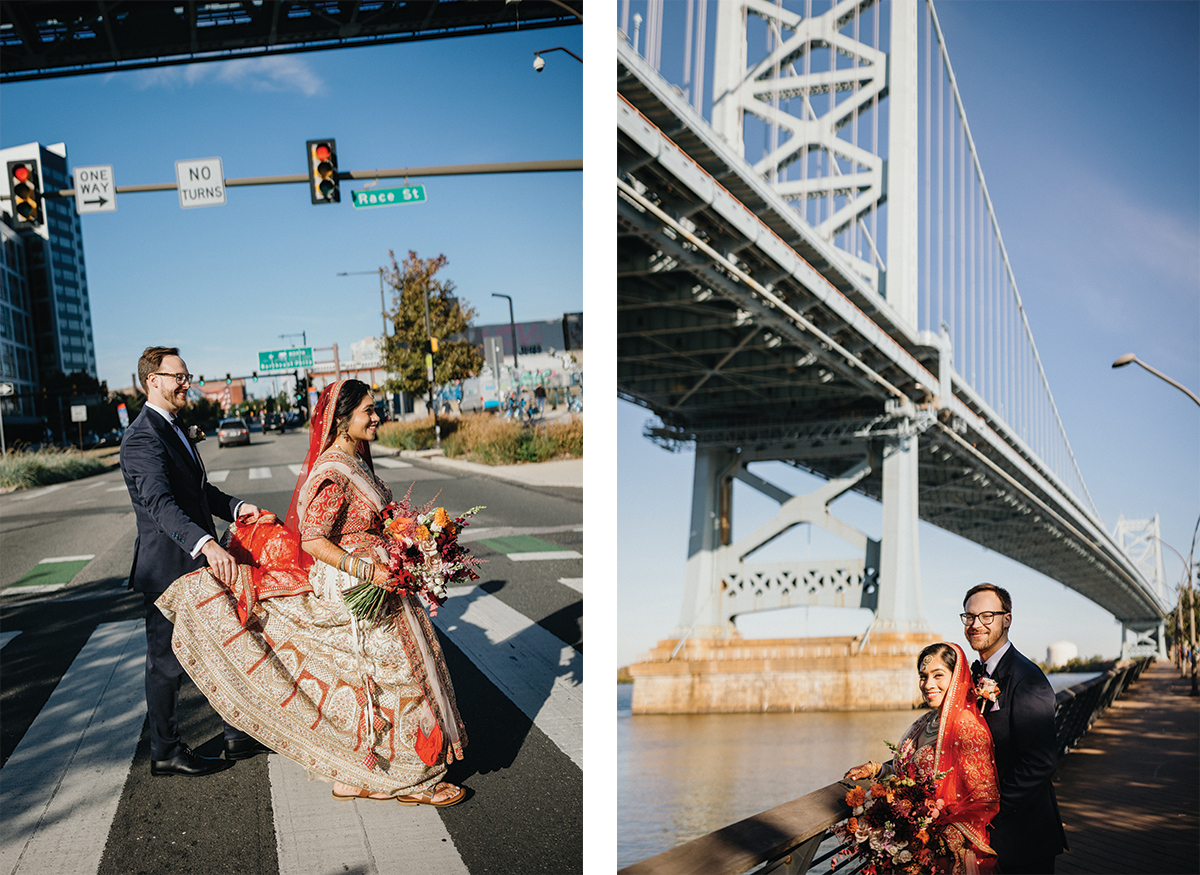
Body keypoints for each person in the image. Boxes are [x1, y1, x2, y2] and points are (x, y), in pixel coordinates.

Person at [157, 379, 468, 805]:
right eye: (369, 411)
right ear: (342, 420)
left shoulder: (355, 460)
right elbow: (313, 539)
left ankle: (355, 773)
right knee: (396, 676)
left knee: (373, 678)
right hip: (358, 581)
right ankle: (410, 776)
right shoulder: (332, 472)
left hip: (380, 575)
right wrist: (368, 569)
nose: (377, 417)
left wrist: (411, 541)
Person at [120, 346, 266, 777]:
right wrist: (205, 544)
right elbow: (161, 504)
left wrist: (237, 507)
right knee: (165, 662)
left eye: (187, 376)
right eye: (179, 377)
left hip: (194, 564)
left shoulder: (173, 426)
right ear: (154, 380)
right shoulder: (143, 436)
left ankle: (236, 732)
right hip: (169, 568)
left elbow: (197, 492)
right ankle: (165, 751)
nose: (188, 383)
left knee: (226, 644)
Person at [845, 642, 999, 874]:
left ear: (957, 677)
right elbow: (909, 774)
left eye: (938, 675)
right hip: (912, 844)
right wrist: (876, 769)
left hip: (941, 853)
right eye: (923, 676)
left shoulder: (967, 727)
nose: (928, 685)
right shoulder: (926, 722)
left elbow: (985, 799)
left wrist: (940, 837)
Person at [962, 583, 1067, 873]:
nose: (975, 625)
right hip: (992, 838)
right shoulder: (976, 676)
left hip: (1023, 839)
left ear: (1007, 619)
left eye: (986, 616)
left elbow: (1041, 762)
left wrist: (987, 810)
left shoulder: (1027, 679)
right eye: (969, 617)